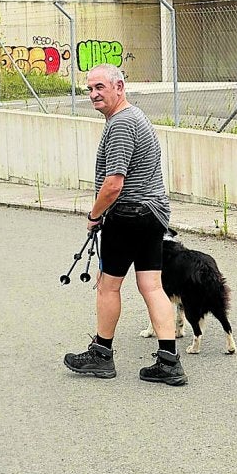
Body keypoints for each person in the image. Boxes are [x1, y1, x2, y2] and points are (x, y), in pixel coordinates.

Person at [63, 64, 186, 386]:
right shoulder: (135, 118)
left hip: (129, 214)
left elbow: (114, 183)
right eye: (89, 89)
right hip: (152, 215)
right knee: (153, 287)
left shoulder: (121, 123)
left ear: (119, 87)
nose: (93, 94)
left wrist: (94, 215)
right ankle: (169, 361)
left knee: (108, 286)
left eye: (100, 87)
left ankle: (101, 354)